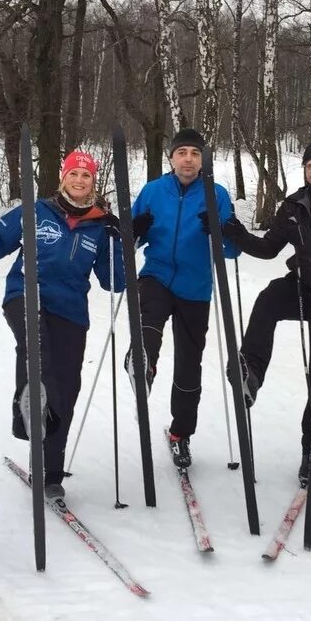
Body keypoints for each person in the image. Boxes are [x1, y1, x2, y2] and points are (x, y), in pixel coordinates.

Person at [0, 149, 124, 499]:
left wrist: (120, 240)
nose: (79, 180)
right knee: (37, 347)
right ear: (62, 176)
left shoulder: (100, 225)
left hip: (70, 310)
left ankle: (51, 473)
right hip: (26, 293)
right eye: (74, 174)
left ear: (93, 182)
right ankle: (26, 410)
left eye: (86, 176)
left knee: (66, 390)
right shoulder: (35, 211)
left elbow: (114, 281)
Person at [218, 139, 311, 485]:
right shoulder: (293, 205)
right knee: (269, 297)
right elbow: (269, 249)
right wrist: (235, 233)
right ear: (304, 169)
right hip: (303, 287)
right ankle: (250, 372)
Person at [128, 127, 239, 469]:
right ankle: (142, 361)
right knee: (151, 314)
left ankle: (181, 434)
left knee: (190, 364)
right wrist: (135, 231)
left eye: (194, 153)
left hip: (195, 285)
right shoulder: (152, 191)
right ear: (171, 157)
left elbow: (232, 249)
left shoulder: (216, 194)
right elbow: (126, 241)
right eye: (182, 152)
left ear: (202, 158)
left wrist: (220, 232)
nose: (188, 159)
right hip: (157, 273)